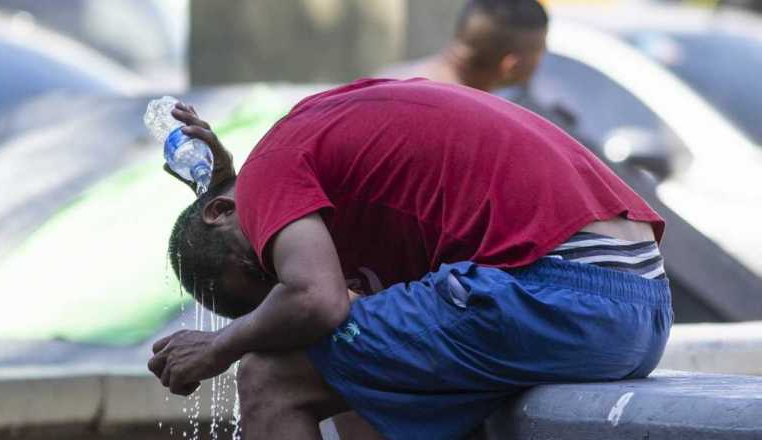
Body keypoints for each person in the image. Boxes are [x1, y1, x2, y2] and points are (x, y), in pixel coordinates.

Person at [148, 78, 672, 439]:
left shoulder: (272, 170)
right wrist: (231, 186)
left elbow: (315, 300)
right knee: (354, 363)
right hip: (639, 307)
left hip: (563, 291)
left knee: (270, 374)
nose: (279, 280)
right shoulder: (310, 157)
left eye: (265, 271)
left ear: (219, 210)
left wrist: (220, 345)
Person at [380, 0, 548, 93]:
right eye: (541, 50)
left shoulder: (386, 80)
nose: (544, 56)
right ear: (511, 66)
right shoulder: (470, 120)